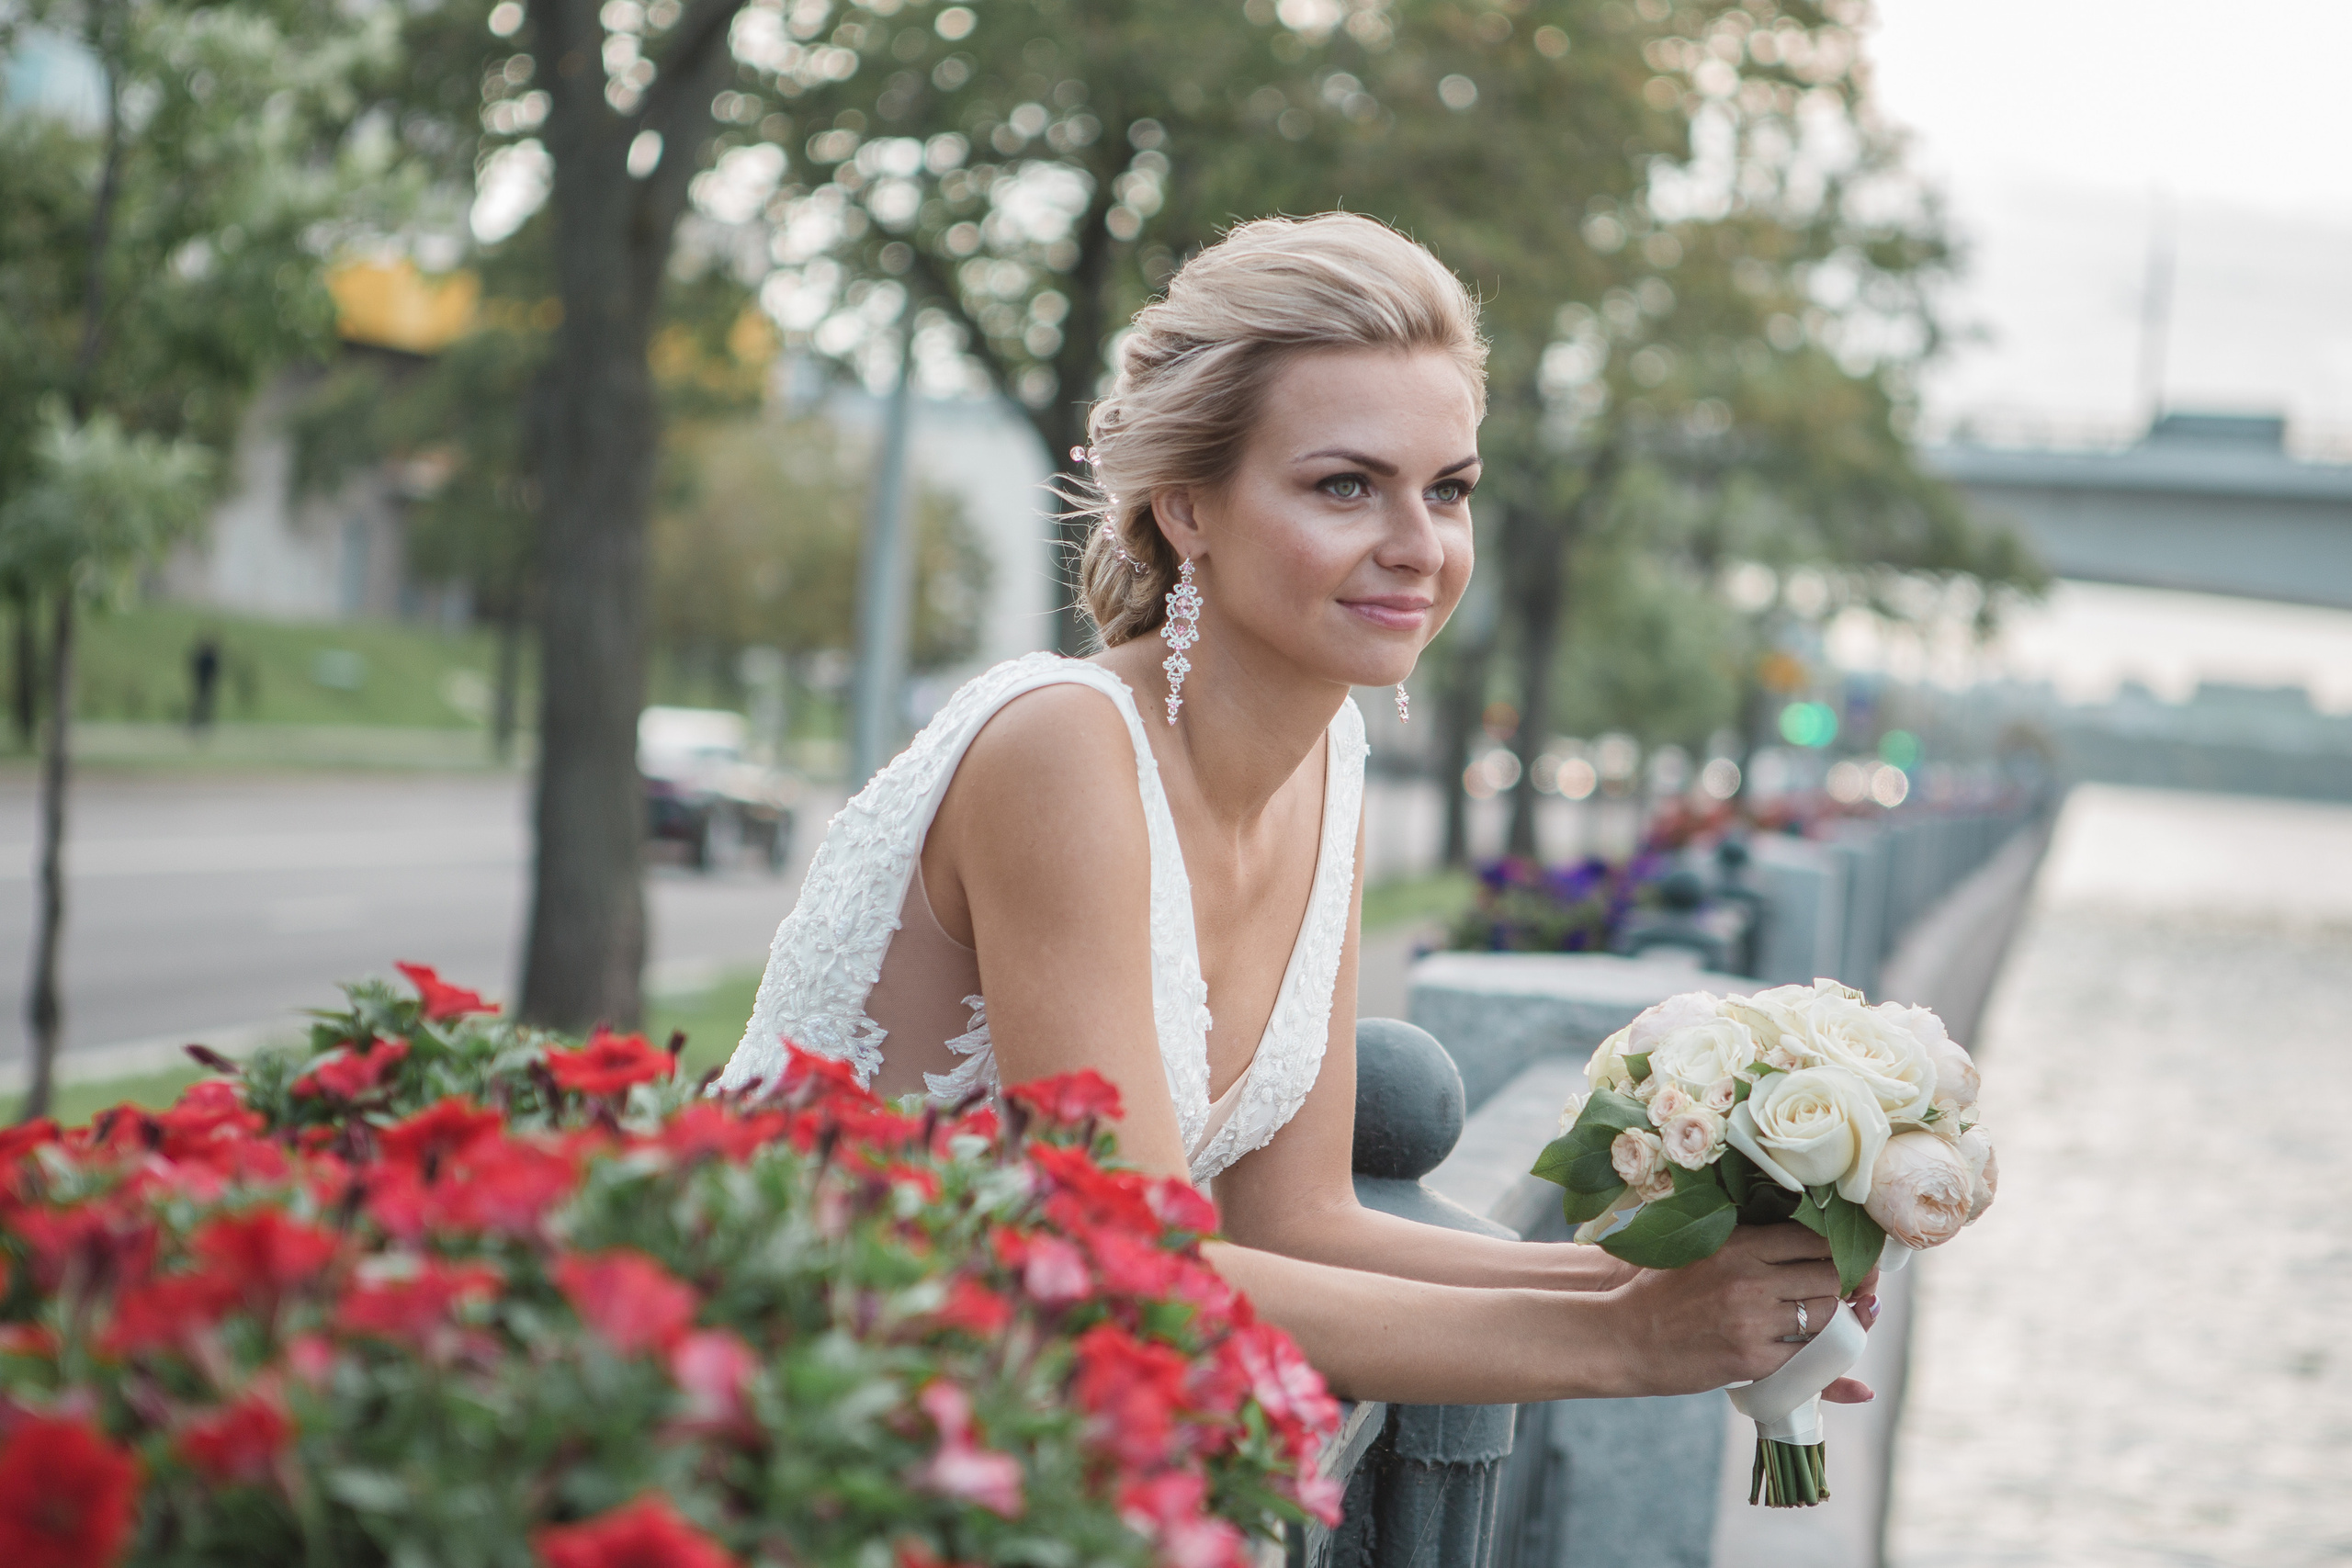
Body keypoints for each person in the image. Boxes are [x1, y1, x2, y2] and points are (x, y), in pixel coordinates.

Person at [723, 213, 1874, 1407]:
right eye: (1346, 487)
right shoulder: (1064, 751)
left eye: (1449, 489)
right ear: (1187, 509)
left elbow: (1307, 1229)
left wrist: (1684, 1292)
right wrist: (1631, 1348)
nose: (1417, 546)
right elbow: (1131, 1276)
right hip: (787, 1414)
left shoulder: (1333, 758)